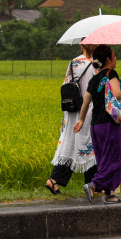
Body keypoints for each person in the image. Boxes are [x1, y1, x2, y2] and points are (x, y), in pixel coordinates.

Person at [73, 44, 121, 204]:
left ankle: (110, 195)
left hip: (95, 126)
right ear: (108, 59)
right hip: (108, 124)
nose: (116, 58)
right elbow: (118, 94)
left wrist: (81, 120)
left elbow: (85, 102)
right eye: (114, 55)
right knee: (116, 159)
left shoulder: (95, 78)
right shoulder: (111, 74)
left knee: (104, 160)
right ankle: (93, 184)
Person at [45, 43, 98, 195]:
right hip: (87, 111)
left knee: (70, 145)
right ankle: (92, 185)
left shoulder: (73, 62)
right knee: (90, 146)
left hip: (71, 110)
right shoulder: (96, 65)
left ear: (82, 45)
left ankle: (54, 180)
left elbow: (66, 84)